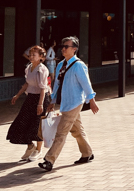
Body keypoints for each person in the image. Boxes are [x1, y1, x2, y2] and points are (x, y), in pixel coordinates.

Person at [39, 36, 98, 172]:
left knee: (61, 132)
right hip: (65, 103)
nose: (63, 49)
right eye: (62, 46)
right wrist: (52, 101)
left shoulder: (79, 65)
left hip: (75, 102)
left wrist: (92, 101)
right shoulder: (60, 65)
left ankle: (49, 160)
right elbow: (57, 85)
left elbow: (86, 84)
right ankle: (87, 153)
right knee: (77, 130)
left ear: (74, 49)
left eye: (66, 47)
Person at [8, 45, 50, 161]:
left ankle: (38, 150)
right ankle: (30, 146)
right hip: (30, 98)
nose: (30, 57)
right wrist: (18, 95)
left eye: (34, 55)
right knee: (22, 123)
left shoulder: (42, 70)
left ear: (41, 57)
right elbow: (27, 83)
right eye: (30, 54)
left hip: (41, 98)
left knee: (37, 125)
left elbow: (43, 88)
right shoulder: (28, 68)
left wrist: (40, 104)